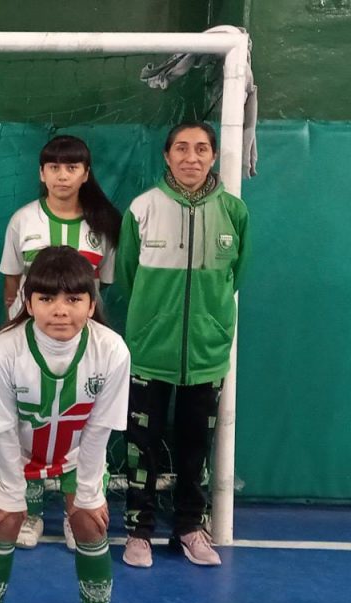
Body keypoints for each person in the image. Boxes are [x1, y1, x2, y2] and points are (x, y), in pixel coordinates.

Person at [0, 246, 131, 603]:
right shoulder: (2, 351)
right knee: (4, 522)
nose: (60, 310)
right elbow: (0, 429)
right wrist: (12, 492)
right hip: (14, 453)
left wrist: (88, 493)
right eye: (47, 298)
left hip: (78, 453)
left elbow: (100, 427)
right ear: (28, 301)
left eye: (74, 299)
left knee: (90, 524)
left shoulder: (112, 350)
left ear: (91, 304)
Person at [117, 121, 249, 569]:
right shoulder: (142, 208)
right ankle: (138, 531)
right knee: (141, 445)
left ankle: (190, 527)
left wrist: (209, 323)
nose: (191, 157)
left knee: (196, 448)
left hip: (207, 354)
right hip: (149, 352)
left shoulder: (234, 211)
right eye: (181, 148)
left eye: (201, 149)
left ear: (213, 155)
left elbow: (236, 276)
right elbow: (129, 275)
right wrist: (155, 321)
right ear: (167, 155)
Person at [0, 135, 121, 551]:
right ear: (41, 173)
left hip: (80, 347)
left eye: (71, 167)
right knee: (26, 422)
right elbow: (12, 286)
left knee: (79, 422)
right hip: (28, 344)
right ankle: (30, 512)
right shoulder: (23, 220)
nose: (62, 175)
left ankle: (77, 510)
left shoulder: (102, 226)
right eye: (54, 167)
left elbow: (101, 288)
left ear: (86, 174)